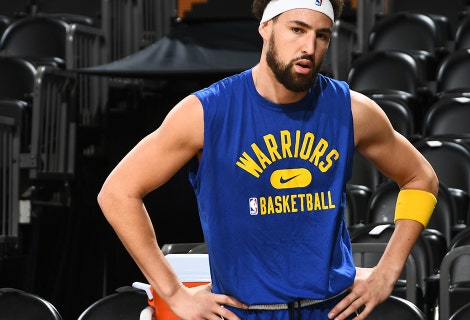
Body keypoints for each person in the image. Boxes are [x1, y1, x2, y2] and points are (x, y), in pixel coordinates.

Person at [97, 0, 438, 319]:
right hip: (244, 311)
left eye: (322, 35)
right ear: (266, 27)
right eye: (297, 29)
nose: (309, 47)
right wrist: (172, 292)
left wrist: (387, 272)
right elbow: (118, 193)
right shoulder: (206, 112)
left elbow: (421, 178)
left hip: (330, 308)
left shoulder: (351, 110)